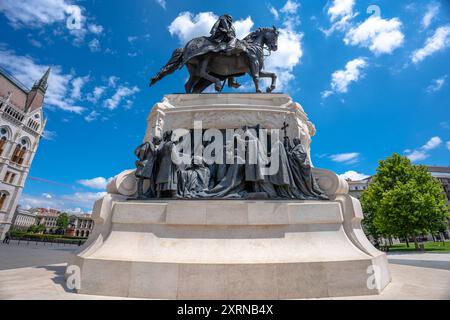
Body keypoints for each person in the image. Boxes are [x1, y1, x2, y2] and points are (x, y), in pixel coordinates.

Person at [209, 14, 242, 89]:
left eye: (231, 18)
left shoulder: (232, 26)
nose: (231, 19)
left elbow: (232, 34)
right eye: (229, 18)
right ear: (226, 17)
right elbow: (227, 30)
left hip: (227, 39)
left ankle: (231, 81)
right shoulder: (223, 19)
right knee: (235, 42)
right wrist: (228, 33)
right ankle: (229, 49)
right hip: (221, 38)